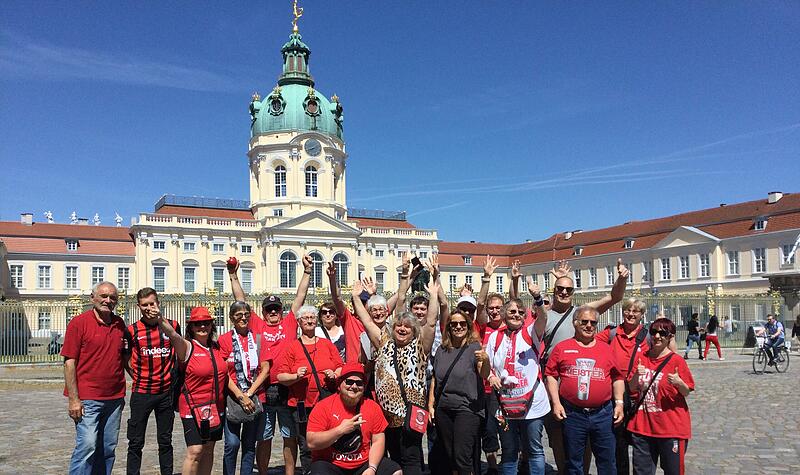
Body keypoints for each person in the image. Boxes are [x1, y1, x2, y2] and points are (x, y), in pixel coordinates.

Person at [542, 260, 629, 474]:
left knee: (589, 445)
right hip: (557, 386)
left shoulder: (584, 312)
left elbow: (615, 297)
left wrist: (621, 278)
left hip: (591, 392)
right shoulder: (544, 315)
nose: (564, 292)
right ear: (553, 290)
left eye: (568, 289)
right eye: (560, 288)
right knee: (559, 439)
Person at [228, 255, 312, 475]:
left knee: (289, 436)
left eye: (276, 309)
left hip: (287, 388)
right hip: (264, 390)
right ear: (263, 312)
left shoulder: (290, 323)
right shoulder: (256, 324)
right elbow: (241, 299)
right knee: (264, 437)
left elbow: (300, 296)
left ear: (282, 311)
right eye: (269, 309)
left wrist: (307, 271)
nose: (273, 312)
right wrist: (233, 275)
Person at [351, 273, 439, 475]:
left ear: (414, 330)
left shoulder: (419, 346)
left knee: (411, 459)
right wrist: (356, 297)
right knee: (394, 461)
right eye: (399, 325)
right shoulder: (384, 343)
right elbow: (367, 321)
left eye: (407, 326)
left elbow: (431, 323)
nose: (402, 329)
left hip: (411, 414)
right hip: (387, 416)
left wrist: (433, 296)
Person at [62, 281, 127, 475]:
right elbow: (69, 363)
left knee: (107, 449)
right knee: (87, 447)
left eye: (113, 297)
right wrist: (74, 399)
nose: (108, 300)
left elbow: (124, 358)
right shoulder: (78, 323)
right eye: (103, 296)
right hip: (87, 399)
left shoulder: (119, 324)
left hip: (114, 398)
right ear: (93, 298)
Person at [485, 283, 550, 475]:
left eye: (520, 312)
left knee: (534, 449)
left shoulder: (530, 332)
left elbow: (543, 318)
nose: (516, 315)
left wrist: (538, 298)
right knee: (509, 451)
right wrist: (490, 376)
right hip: (505, 404)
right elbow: (486, 365)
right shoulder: (495, 337)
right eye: (512, 311)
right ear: (504, 314)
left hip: (532, 403)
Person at [277, 304, 345, 475]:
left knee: (330, 440)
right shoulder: (292, 347)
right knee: (306, 444)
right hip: (302, 404)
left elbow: (340, 367)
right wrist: (295, 376)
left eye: (312, 317)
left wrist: (334, 374)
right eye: (305, 318)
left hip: (325, 402)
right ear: (299, 322)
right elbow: (281, 376)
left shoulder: (326, 344)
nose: (309, 321)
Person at [159, 306, 228, 475]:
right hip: (193, 407)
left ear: (212, 325)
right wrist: (159, 317)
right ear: (191, 327)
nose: (202, 327)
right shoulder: (187, 346)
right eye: (197, 324)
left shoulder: (216, 347)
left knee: (209, 449)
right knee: (195, 450)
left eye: (206, 323)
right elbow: (173, 335)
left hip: (215, 407)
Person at [306, 362, 402, 475]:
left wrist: (372, 468)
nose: (354, 386)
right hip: (331, 463)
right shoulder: (323, 406)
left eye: (359, 383)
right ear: (339, 384)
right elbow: (311, 443)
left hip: (362, 463)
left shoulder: (372, 407)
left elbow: (378, 441)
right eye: (349, 382)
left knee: (396, 472)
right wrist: (340, 430)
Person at [628, 318, 694, 475]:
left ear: (670, 336)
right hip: (643, 427)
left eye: (662, 333)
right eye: (654, 332)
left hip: (671, 428)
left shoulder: (677, 361)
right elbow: (631, 388)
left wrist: (679, 383)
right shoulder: (642, 358)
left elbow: (686, 391)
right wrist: (636, 375)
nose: (657, 336)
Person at [428, 309, 490, 475]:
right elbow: (435, 378)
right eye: (454, 324)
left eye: (462, 323)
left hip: (467, 408)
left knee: (462, 455)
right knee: (450, 456)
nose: (458, 327)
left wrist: (486, 361)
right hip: (443, 408)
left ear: (468, 326)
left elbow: (484, 374)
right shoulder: (441, 350)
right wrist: (431, 404)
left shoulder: (474, 348)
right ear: (449, 327)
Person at [126, 287, 180, 475]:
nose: (149, 308)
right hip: (142, 393)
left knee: (165, 441)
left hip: (166, 393)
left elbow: (180, 350)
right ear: (138, 307)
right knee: (135, 441)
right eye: (144, 305)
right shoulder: (132, 330)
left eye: (152, 303)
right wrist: (137, 377)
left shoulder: (172, 325)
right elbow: (125, 359)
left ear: (158, 303)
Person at [594, 298, 649, 475]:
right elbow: (588, 341)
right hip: (616, 397)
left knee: (641, 446)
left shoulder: (649, 336)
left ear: (642, 315)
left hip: (640, 398)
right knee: (619, 445)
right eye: (627, 310)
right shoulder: (611, 333)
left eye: (635, 311)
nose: (631, 314)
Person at [218, 301, 271, 475]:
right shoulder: (224, 340)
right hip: (232, 397)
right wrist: (241, 396)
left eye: (246, 314)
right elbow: (223, 372)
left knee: (249, 444)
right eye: (238, 315)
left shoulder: (258, 338)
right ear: (231, 317)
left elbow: (265, 369)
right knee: (232, 444)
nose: (243, 318)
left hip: (254, 396)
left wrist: (249, 393)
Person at [475, 257, 509, 475]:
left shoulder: (512, 328)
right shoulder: (483, 327)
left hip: (508, 388)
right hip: (486, 388)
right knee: (488, 429)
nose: (495, 311)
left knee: (507, 428)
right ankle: (493, 467)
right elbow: (479, 304)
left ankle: (511, 462)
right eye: (491, 308)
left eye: (498, 308)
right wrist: (486, 278)